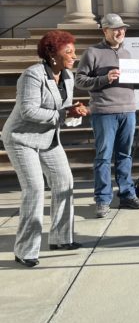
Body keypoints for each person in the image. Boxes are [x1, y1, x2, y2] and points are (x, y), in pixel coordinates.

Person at [2, 31, 88, 267]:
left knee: (64, 182)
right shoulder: (32, 75)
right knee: (35, 189)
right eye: (68, 51)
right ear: (52, 53)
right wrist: (63, 113)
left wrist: (75, 111)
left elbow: (65, 108)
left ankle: (61, 238)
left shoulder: (68, 76)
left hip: (48, 138)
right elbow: (29, 111)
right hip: (21, 138)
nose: (73, 55)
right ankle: (25, 250)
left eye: (73, 50)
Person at [75, 13, 139, 217]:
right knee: (103, 157)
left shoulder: (128, 54)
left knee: (125, 155)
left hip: (128, 110)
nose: (121, 32)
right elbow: (79, 80)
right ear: (105, 31)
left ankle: (127, 194)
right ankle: (103, 200)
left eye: (123, 28)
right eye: (116, 29)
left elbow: (130, 81)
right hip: (104, 111)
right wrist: (104, 79)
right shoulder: (92, 52)